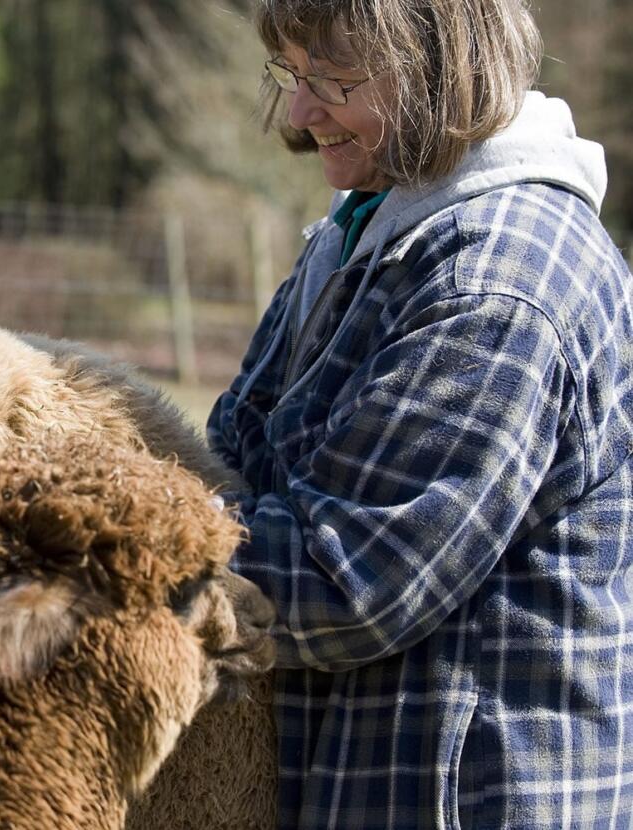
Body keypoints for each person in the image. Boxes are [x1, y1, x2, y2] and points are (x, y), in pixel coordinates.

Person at [207, 1, 633, 827]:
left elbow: (350, 577)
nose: (299, 111)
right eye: (292, 75)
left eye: (331, 78)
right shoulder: (366, 227)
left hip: (461, 801)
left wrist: (100, 556)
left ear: (438, 61)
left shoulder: (501, 279)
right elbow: (232, 447)